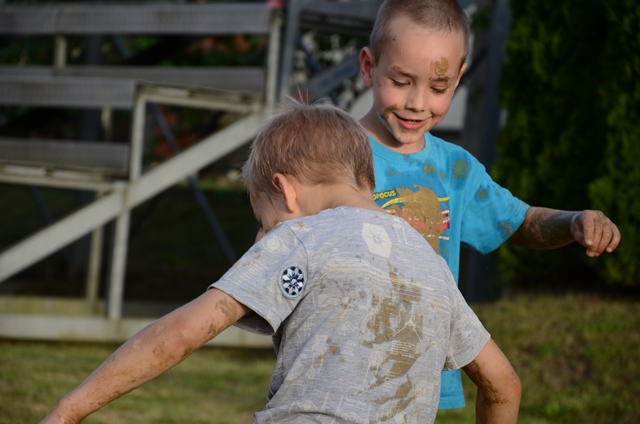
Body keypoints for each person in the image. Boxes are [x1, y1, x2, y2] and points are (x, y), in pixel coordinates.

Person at [40, 100, 521, 424]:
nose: (265, 236)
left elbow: (182, 332)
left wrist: (69, 409)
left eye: (264, 221)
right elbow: (503, 385)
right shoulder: (431, 262)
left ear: (285, 191)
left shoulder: (303, 235)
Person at [357, 0, 621, 410]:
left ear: (459, 78)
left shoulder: (455, 170)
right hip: (343, 363)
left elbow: (520, 222)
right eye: (402, 81)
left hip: (419, 371)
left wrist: (573, 221)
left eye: (438, 88)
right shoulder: (333, 155)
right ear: (370, 67)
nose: (417, 102)